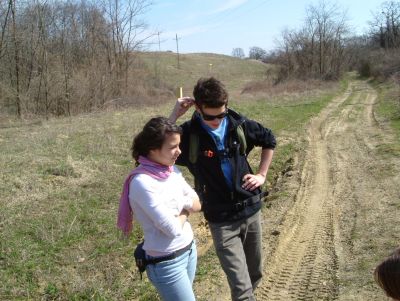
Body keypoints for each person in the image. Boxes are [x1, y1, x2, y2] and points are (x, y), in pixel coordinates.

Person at [169, 77, 276, 301]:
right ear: (197, 108)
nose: (217, 121)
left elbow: (269, 139)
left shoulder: (239, 124)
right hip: (221, 220)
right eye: (210, 116)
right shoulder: (188, 135)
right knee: (241, 286)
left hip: (251, 210)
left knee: (255, 274)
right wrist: (173, 117)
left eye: (221, 114)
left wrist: (262, 175)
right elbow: (154, 151)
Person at [117, 116, 202, 301]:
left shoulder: (171, 170)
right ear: (152, 150)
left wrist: (179, 211)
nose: (179, 151)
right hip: (167, 262)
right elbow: (171, 229)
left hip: (189, 250)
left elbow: (197, 203)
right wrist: (184, 206)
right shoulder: (142, 183)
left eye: (179, 145)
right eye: (173, 147)